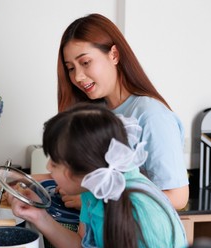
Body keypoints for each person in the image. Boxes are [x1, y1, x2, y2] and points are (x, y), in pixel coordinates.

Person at [36, 13, 189, 210]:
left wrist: (93, 201)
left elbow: (177, 197)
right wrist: (16, 182)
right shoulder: (98, 111)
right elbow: (81, 176)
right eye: (71, 68)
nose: (78, 77)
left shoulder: (151, 115)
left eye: (85, 63)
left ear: (114, 55)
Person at [9, 103, 188, 248]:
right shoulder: (94, 188)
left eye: (54, 163)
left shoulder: (142, 214)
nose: (48, 167)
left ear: (79, 168)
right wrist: (39, 216)